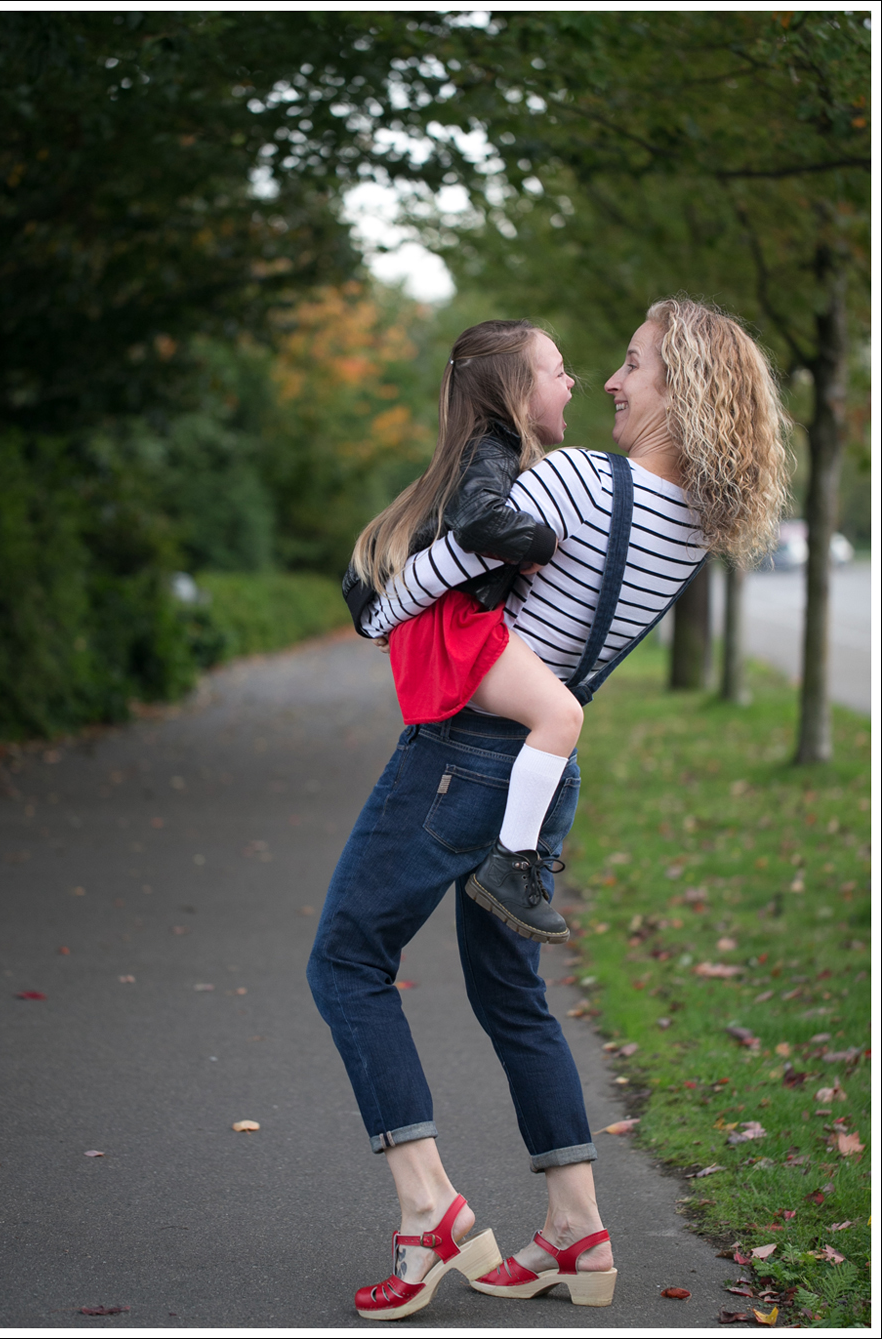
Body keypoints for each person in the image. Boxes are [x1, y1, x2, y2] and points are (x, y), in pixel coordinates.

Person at [308, 297, 790, 1321]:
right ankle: (577, 1228)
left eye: (633, 364)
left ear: (682, 389)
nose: (614, 381)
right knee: (512, 996)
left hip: (459, 757)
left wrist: (379, 610)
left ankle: (427, 1209)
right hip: (543, 769)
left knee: (346, 962)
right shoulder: (696, 525)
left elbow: (449, 562)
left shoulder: (575, 477)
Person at [345, 318, 585, 945]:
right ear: (515, 391)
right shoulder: (491, 451)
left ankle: (514, 865)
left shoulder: (484, 449)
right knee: (559, 717)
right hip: (451, 632)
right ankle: (514, 863)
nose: (573, 384)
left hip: (445, 625)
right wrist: (540, 541)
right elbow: (480, 521)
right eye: (558, 372)